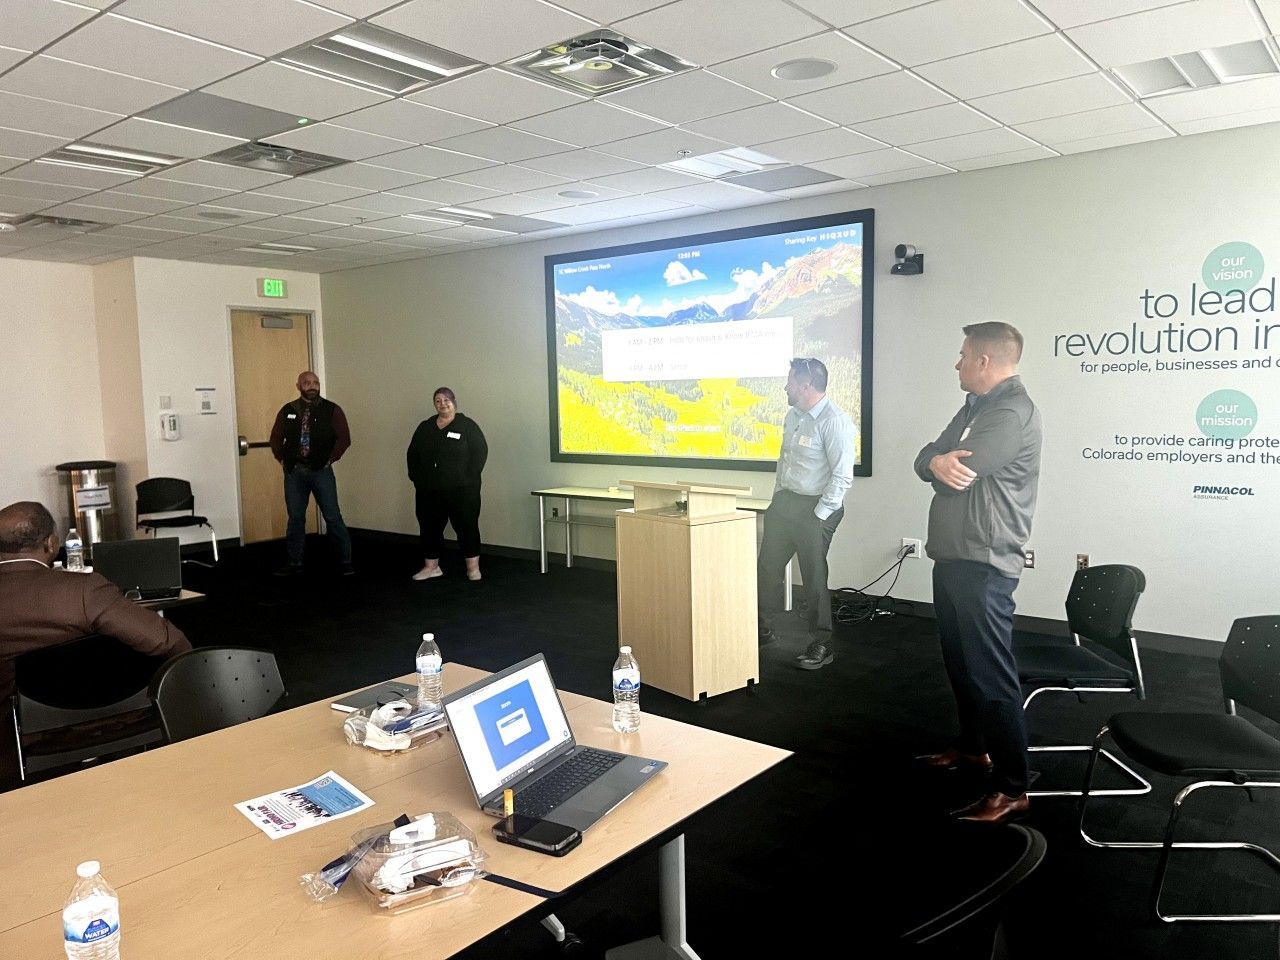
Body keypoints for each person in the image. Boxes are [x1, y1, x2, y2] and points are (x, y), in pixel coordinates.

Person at [913, 322, 1042, 825]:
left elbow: (960, 474)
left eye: (963, 355)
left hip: (984, 563)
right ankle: (973, 748)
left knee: (991, 676)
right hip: (956, 557)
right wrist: (933, 463)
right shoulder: (975, 407)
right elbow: (928, 456)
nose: (957, 362)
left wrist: (938, 467)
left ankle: (1013, 787)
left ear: (985, 361)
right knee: (961, 664)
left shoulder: (1010, 412)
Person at [0, 501, 192, 782]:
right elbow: (167, 641)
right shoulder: (83, 590)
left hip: (14, 743)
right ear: (52, 544)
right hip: (114, 725)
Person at [757, 357, 856, 671]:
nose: (785, 386)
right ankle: (760, 626)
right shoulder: (793, 415)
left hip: (815, 508)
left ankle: (822, 643)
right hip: (785, 503)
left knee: (813, 576)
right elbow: (785, 461)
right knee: (766, 570)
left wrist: (819, 515)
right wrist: (777, 497)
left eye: (790, 381)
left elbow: (842, 476)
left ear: (806, 385)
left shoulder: (834, 421)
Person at [269, 370, 354, 576]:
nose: (312, 386)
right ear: (298, 386)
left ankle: (345, 561)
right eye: (307, 383)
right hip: (294, 472)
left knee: (333, 516)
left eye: (315, 382)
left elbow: (344, 439)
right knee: (296, 518)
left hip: (321, 471)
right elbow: (276, 438)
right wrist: (282, 459)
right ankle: (294, 562)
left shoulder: (332, 410)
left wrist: (330, 460)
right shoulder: (288, 410)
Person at [406, 387, 489, 582]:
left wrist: (468, 479)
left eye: (446, 400)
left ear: (454, 402)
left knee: (467, 527)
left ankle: (473, 568)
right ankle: (431, 567)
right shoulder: (425, 427)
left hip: (462, 491)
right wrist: (417, 479)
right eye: (438, 401)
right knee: (429, 528)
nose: (442, 404)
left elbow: (480, 453)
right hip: (429, 491)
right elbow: (413, 454)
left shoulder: (467, 426)